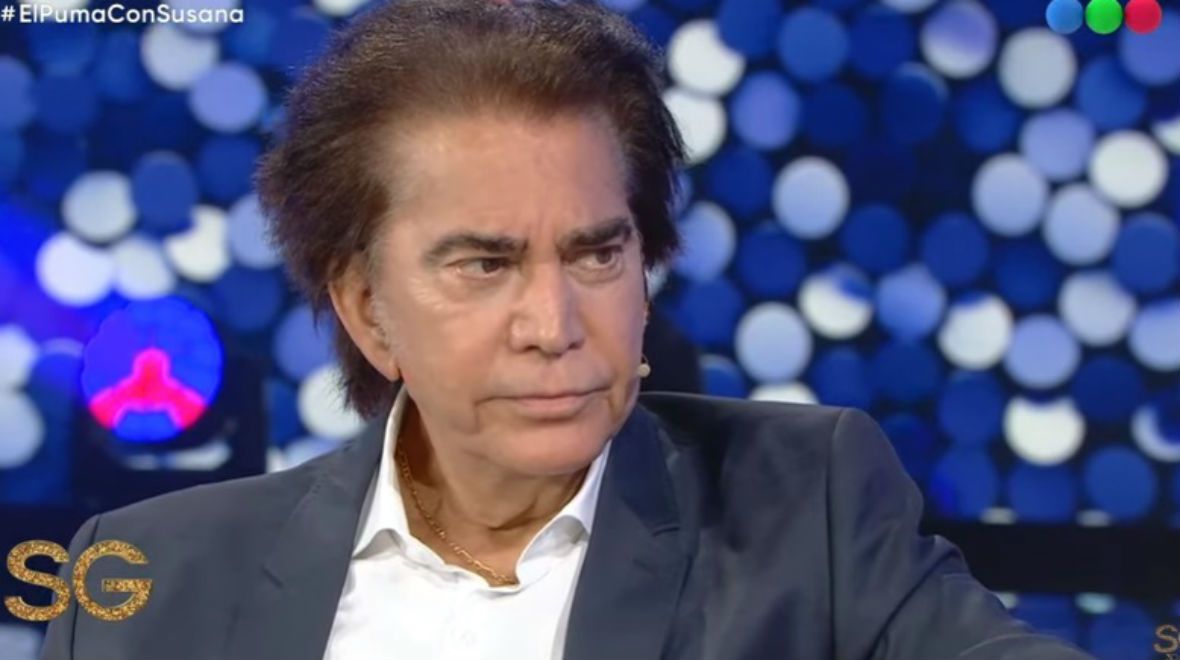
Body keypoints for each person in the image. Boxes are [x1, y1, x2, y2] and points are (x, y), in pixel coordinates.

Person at [40, 1, 1096, 658]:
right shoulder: (149, 580)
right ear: (366, 310)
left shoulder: (804, 509)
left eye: (596, 255)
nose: (554, 326)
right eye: (485, 264)